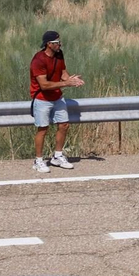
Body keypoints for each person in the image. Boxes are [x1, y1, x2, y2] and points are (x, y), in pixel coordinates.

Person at [29, 29, 83, 174]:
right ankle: (38, 161)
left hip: (57, 97)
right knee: (43, 129)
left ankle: (57, 156)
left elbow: (63, 73)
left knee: (64, 125)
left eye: (59, 42)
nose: (60, 44)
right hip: (42, 99)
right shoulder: (38, 60)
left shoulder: (59, 55)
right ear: (48, 44)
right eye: (57, 42)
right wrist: (66, 84)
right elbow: (44, 85)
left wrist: (71, 79)